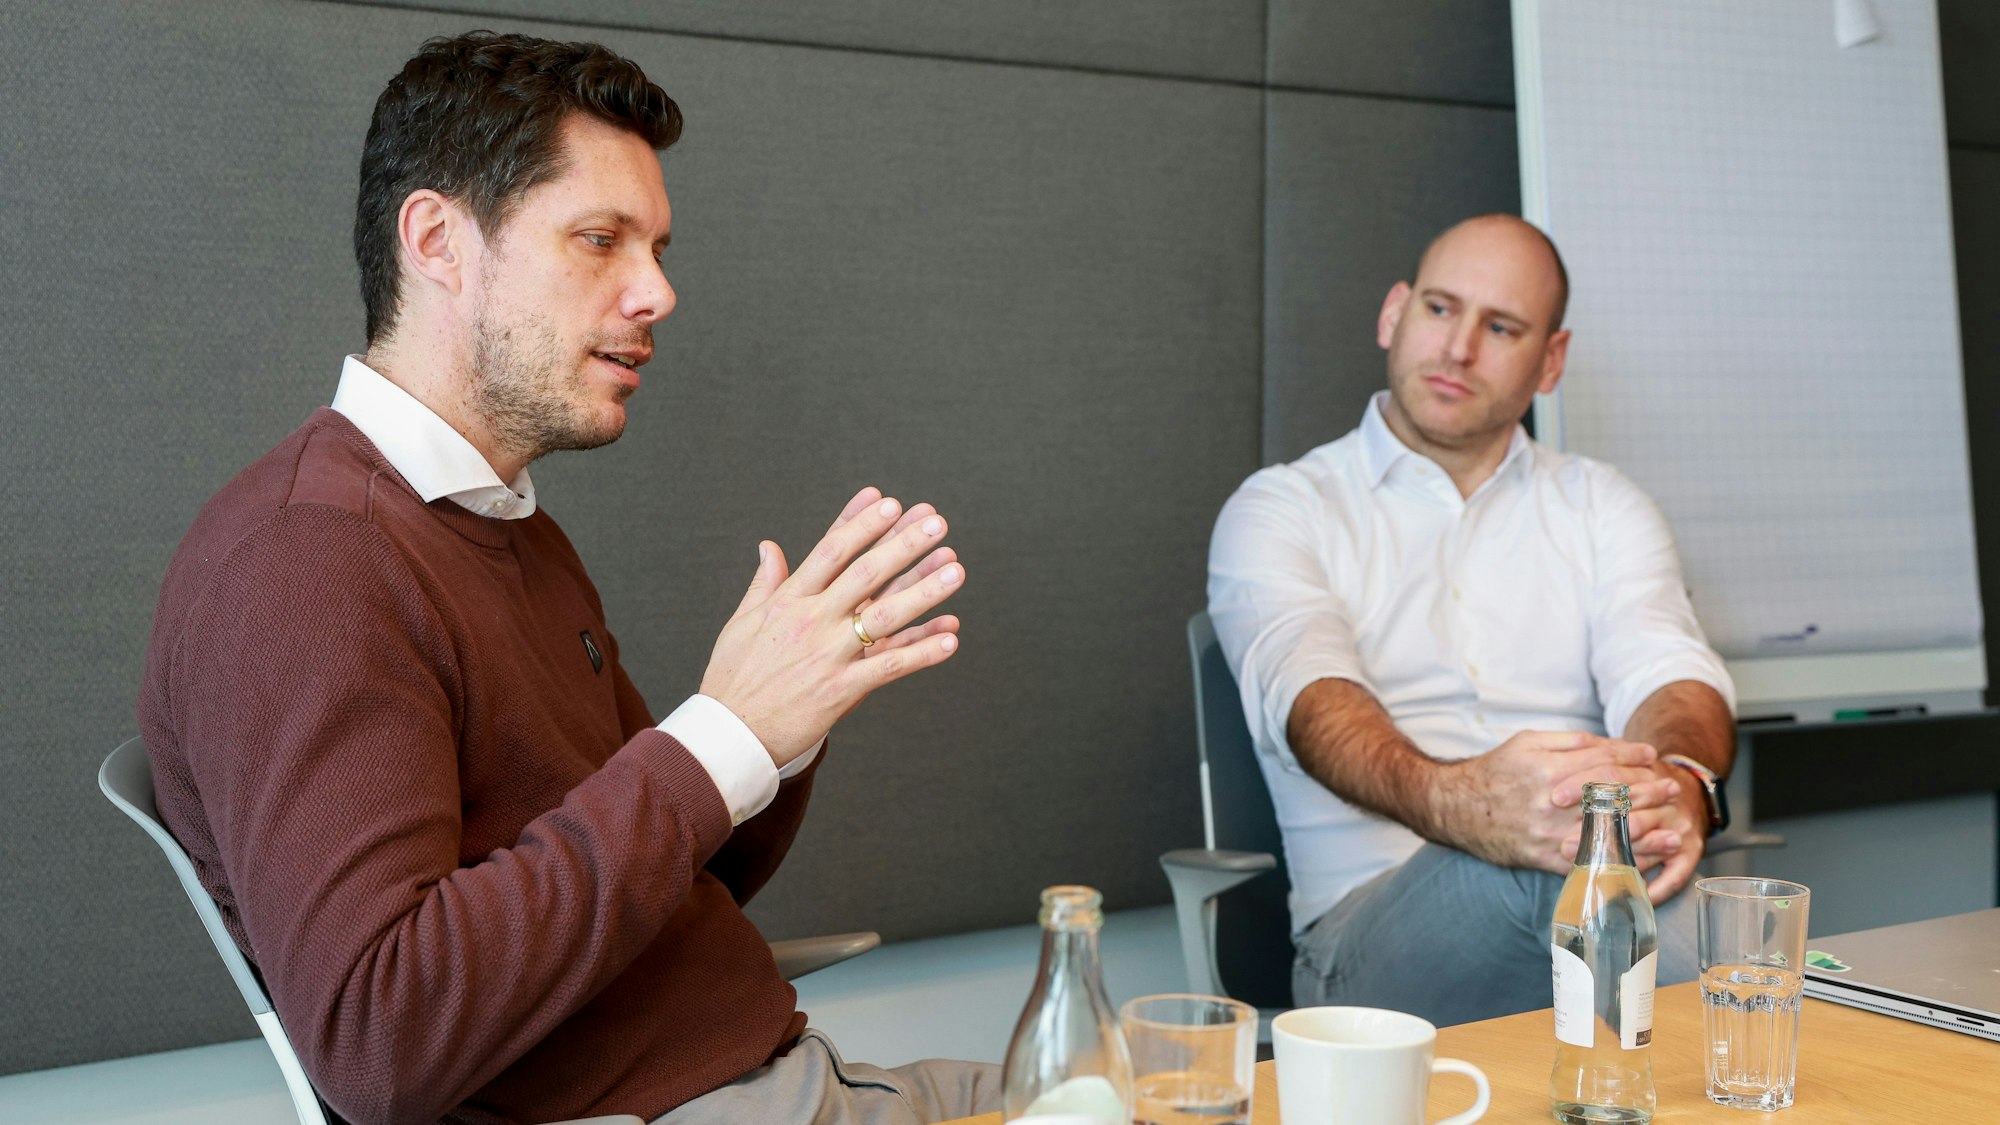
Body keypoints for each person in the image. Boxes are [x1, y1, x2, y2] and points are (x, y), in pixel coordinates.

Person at [138, 31, 997, 1125]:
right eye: (600, 241)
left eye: (658, 247)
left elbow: (675, 879)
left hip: (764, 1074)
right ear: (438, 240)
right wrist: (718, 735)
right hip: (693, 1107)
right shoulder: (305, 564)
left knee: (1134, 1069)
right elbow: (374, 1037)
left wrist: (783, 720)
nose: (657, 292)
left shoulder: (502, 528)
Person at [1206, 214, 1737, 1026]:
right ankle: (1762, 1027)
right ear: (1394, 314)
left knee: (1620, 874)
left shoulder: (1604, 504)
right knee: (1573, 871)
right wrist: (1469, 807)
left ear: (1550, 360)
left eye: (1501, 326)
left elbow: (1670, 672)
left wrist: (1682, 788)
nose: (1458, 349)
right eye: (1440, 309)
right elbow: (1311, 701)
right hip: (1368, 944)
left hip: (1592, 883)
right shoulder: (1283, 507)